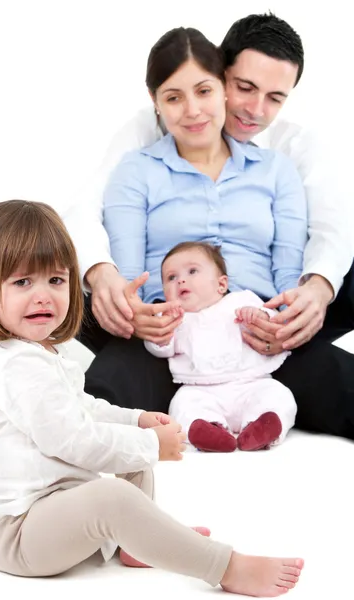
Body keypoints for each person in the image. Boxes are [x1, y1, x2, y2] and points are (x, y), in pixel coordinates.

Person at [0, 199, 305, 596]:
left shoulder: (41, 352)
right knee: (115, 491)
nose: (43, 297)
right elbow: (72, 440)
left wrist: (136, 420)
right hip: (16, 535)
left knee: (130, 462)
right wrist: (149, 444)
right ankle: (224, 566)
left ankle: (137, 542)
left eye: (55, 280)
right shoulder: (17, 367)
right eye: (22, 282)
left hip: (51, 510)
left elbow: (82, 409)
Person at [64, 14, 354, 440]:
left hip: (257, 328)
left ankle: (261, 390)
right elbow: (90, 224)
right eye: (246, 88)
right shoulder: (140, 154)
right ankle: (192, 391)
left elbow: (324, 237)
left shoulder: (281, 162)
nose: (255, 109)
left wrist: (298, 305)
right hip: (171, 329)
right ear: (225, 76)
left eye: (274, 97)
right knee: (98, 385)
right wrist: (123, 296)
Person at [145, 242, 297, 453]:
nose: (180, 280)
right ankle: (208, 431)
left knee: (279, 395)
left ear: (221, 284)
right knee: (182, 404)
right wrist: (162, 334)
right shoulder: (173, 319)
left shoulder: (242, 300)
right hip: (200, 389)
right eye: (171, 277)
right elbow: (159, 348)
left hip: (251, 383)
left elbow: (272, 323)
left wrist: (258, 316)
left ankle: (264, 427)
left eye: (192, 271)